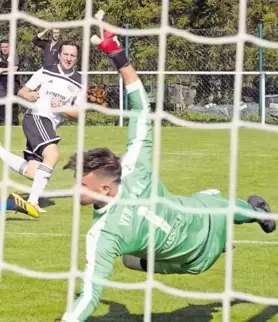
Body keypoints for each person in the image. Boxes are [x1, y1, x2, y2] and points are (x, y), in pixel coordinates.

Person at [60, 11, 276, 322]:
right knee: (212, 199)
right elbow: (142, 107)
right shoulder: (133, 168)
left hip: (195, 263)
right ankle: (258, 215)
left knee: (131, 262)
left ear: (105, 188)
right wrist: (117, 55)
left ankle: (229, 238)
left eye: (82, 183)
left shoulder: (103, 236)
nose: (75, 187)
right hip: (206, 220)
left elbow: (90, 295)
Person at [0, 41, 87, 212]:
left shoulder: (80, 82)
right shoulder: (45, 71)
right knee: (53, 155)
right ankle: (32, 202)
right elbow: (22, 91)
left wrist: (61, 108)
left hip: (49, 125)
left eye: (73, 55)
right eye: (66, 54)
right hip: (36, 116)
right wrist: (29, 94)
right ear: (59, 55)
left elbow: (79, 113)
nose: (69, 58)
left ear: (77, 58)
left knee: (34, 173)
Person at [0, 38, 21, 126]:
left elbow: (14, 68)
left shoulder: (14, 54)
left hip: (13, 82)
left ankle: (14, 122)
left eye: (6, 47)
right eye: (2, 47)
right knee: (0, 99)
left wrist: (2, 70)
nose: (4, 49)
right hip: (2, 82)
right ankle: (0, 122)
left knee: (13, 102)